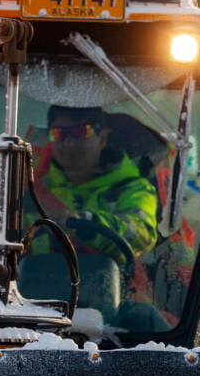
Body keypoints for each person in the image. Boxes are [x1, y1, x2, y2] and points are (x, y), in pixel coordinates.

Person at [29, 105, 158, 264]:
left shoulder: (133, 188)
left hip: (110, 286)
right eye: (58, 134)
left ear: (102, 138)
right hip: (26, 286)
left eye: (80, 132)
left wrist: (85, 221)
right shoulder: (31, 188)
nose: (69, 143)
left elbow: (140, 234)